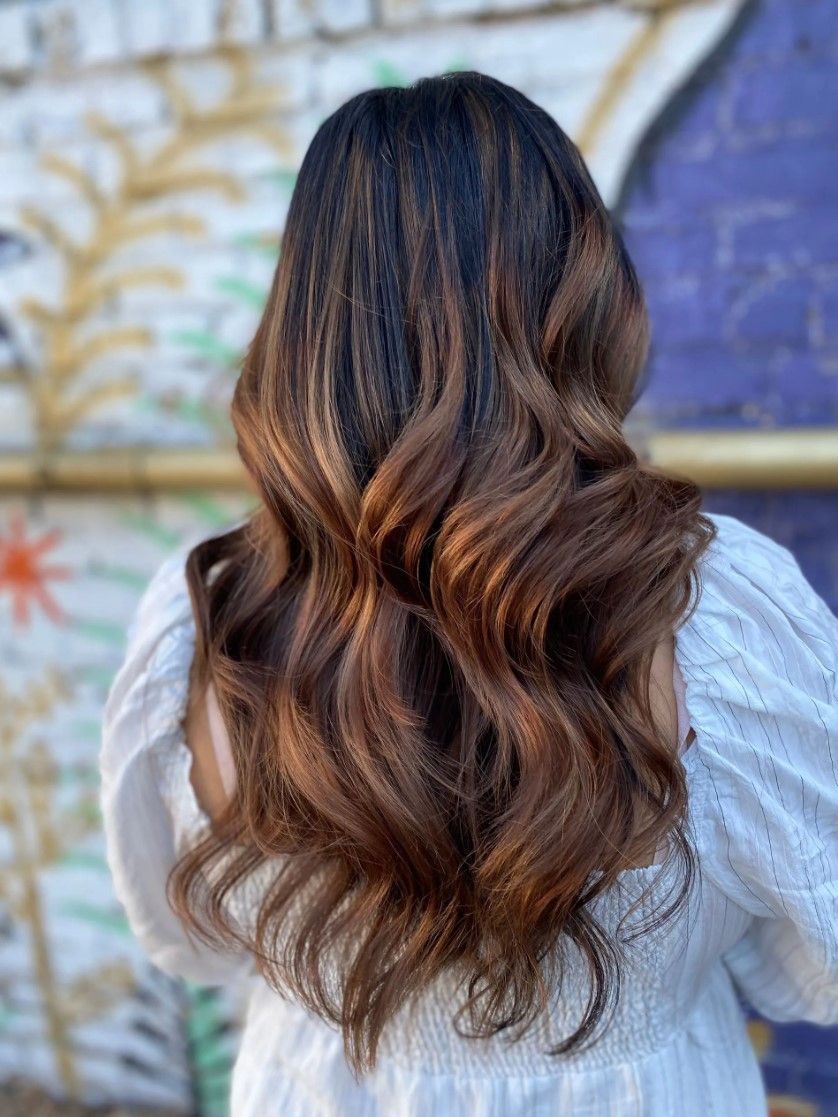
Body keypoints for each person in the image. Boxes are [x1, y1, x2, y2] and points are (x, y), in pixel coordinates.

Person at [99, 71, 838, 1116]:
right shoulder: (707, 615)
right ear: (582, 297)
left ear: (306, 323)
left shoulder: (209, 623)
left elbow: (190, 938)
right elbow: (820, 943)